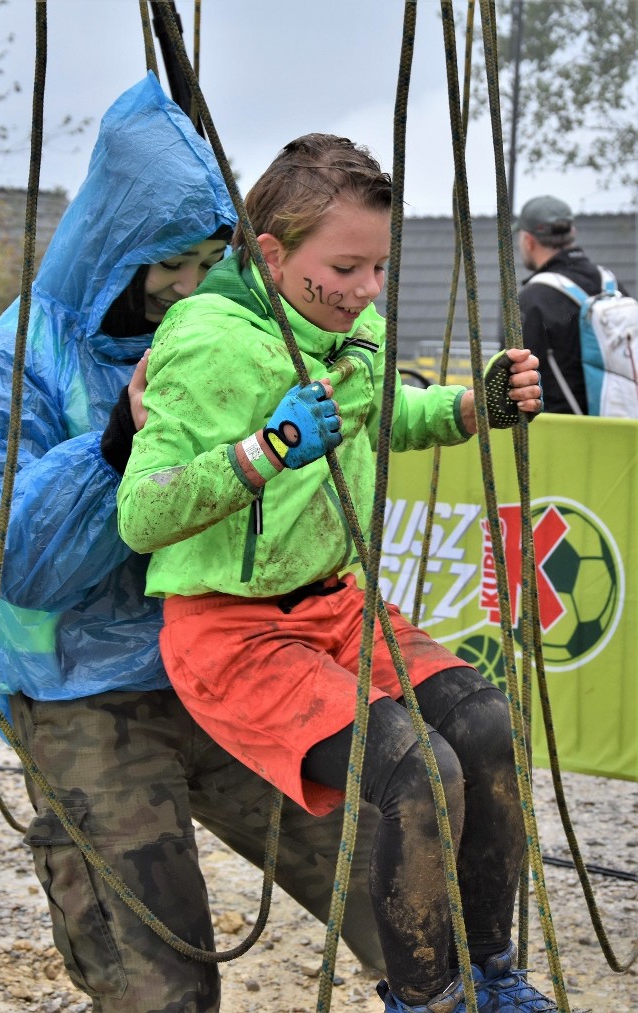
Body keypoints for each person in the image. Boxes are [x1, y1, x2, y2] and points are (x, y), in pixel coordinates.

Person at [0, 77, 385, 1013]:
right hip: (84, 689)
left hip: (225, 650)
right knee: (157, 976)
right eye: (165, 264)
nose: (187, 286)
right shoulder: (28, 354)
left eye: (203, 260)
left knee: (390, 863)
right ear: (114, 250)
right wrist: (114, 445)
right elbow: (9, 563)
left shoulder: (231, 331)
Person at [117, 134, 554, 1013]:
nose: (365, 291)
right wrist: (265, 449)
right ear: (272, 254)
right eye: (346, 267)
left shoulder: (345, 325)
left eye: (379, 267)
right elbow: (142, 511)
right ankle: (427, 999)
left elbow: (385, 410)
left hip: (338, 605)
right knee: (417, 769)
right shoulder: (207, 342)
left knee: (490, 725)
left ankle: (491, 972)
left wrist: (474, 405)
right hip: (232, 628)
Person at [514, 194, 627, 414]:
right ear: (572, 233)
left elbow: (512, 381)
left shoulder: (532, 299)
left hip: (562, 434)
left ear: (528, 240)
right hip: (627, 428)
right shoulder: (612, 285)